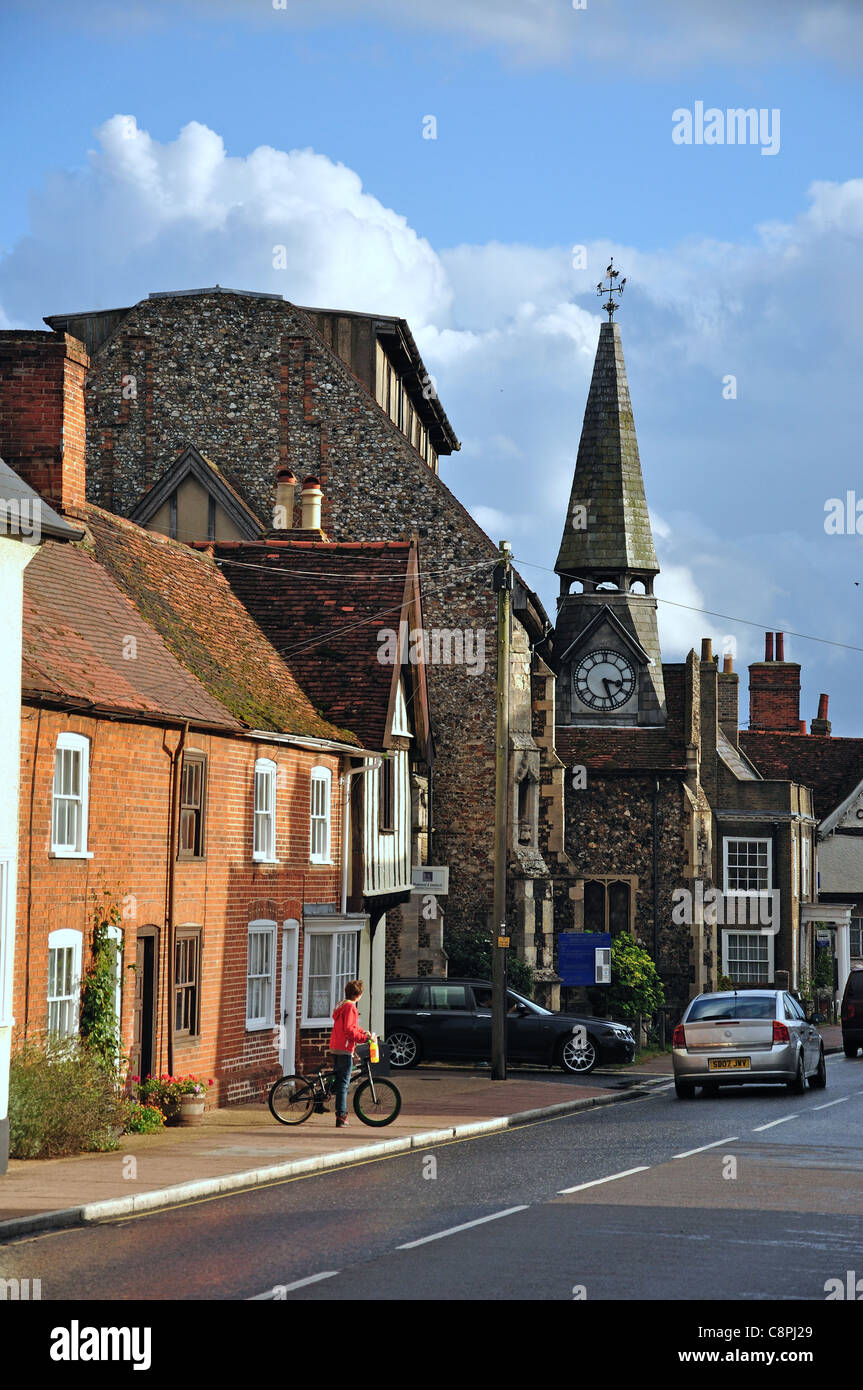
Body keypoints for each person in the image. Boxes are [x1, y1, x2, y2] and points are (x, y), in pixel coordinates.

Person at [329, 979, 370, 1128]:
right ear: (358, 994)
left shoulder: (343, 1005)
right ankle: (341, 1116)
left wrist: (364, 1033)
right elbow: (349, 1030)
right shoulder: (351, 1008)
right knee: (343, 1084)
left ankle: (321, 1100)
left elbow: (354, 1026)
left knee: (338, 1079)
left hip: (336, 1046)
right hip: (344, 1049)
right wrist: (364, 1038)